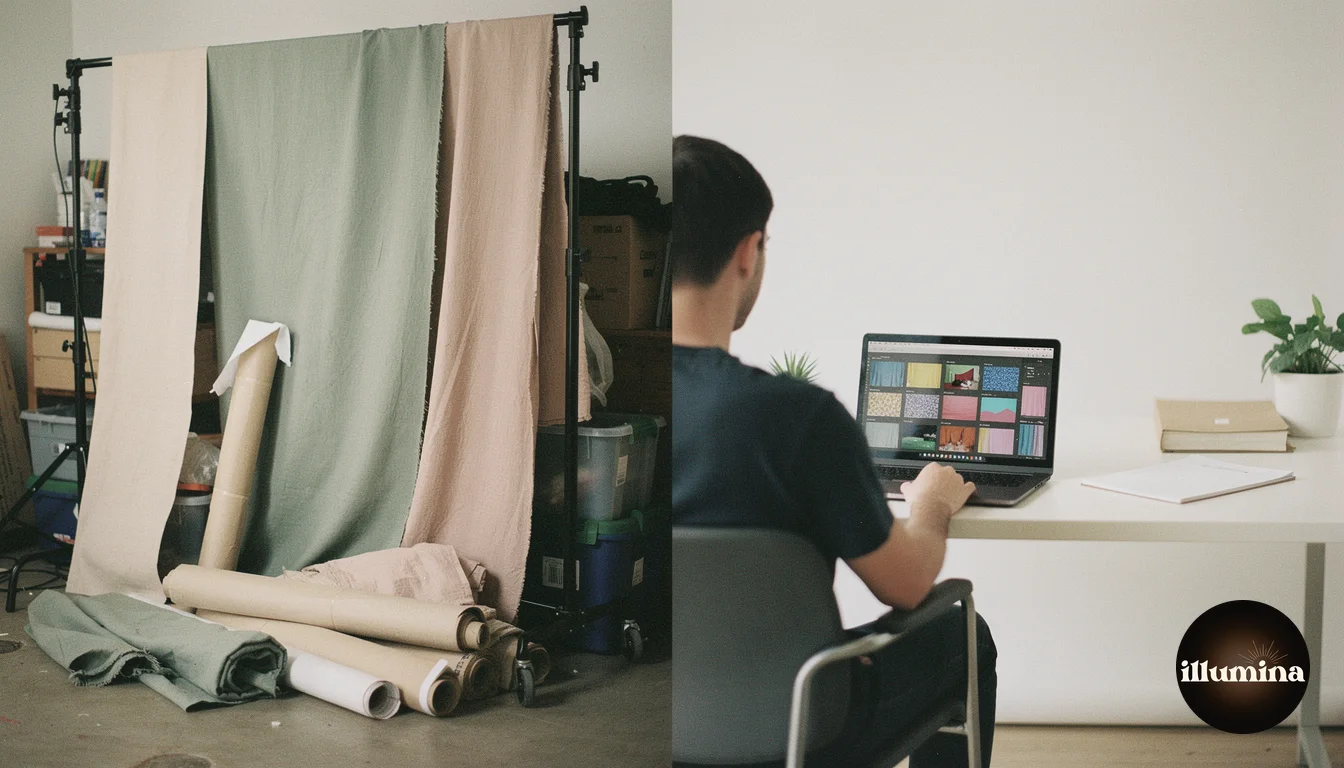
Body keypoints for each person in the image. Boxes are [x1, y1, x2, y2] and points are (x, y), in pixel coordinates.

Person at [671, 134, 998, 768]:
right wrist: (929, 506)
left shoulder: (605, 417)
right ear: (747, 250)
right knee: (961, 634)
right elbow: (906, 588)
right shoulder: (798, 419)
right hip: (800, 731)